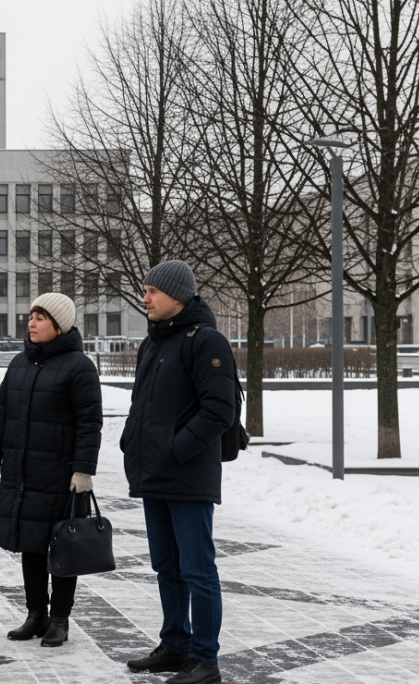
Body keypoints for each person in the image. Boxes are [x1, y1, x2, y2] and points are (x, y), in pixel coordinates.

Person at [121, 260, 233, 684]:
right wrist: (132, 439)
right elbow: (143, 405)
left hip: (187, 476)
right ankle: (174, 644)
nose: (144, 298)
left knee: (197, 570)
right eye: (144, 290)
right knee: (166, 566)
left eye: (152, 291)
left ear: (178, 296)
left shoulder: (206, 341)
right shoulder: (154, 343)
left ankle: (205, 660)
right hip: (155, 474)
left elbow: (220, 409)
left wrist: (176, 449)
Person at [0, 293, 101, 647]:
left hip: (61, 475)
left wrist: (83, 470)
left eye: (40, 317)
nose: (31, 323)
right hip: (23, 472)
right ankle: (36, 614)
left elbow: (89, 423)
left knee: (64, 546)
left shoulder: (79, 366)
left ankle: (60, 619)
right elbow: (3, 415)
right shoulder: (19, 363)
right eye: (30, 316)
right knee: (30, 544)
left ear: (60, 325)